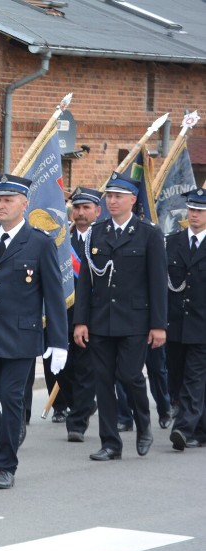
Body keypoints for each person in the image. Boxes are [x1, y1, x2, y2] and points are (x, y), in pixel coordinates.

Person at [0, 174, 67, 489]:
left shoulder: (40, 242)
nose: (0, 205)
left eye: (7, 200)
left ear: (24, 204)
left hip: (21, 337)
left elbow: (54, 296)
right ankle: (3, 440)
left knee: (12, 398)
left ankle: (5, 464)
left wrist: (59, 343)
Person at [73, 171, 167, 461]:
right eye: (109, 196)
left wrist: (158, 325)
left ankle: (143, 424)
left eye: (117, 196)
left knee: (129, 375)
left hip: (135, 321)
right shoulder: (96, 234)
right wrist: (80, 320)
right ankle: (110, 443)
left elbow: (157, 282)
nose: (112, 201)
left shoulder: (149, 234)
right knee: (103, 381)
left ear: (132, 200)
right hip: (101, 319)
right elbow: (86, 282)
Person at [58, 187, 102, 443]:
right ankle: (81, 403)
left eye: (86, 208)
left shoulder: (104, 238)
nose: (81, 213)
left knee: (86, 368)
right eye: (77, 207)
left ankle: (77, 421)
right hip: (63, 312)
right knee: (60, 368)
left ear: (97, 211)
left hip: (93, 314)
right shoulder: (62, 240)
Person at [166, 188, 206, 450]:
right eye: (192, 210)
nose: (194, 215)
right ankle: (200, 429)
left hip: (202, 326)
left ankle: (182, 428)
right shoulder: (173, 242)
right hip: (175, 324)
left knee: (194, 376)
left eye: (200, 211)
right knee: (178, 377)